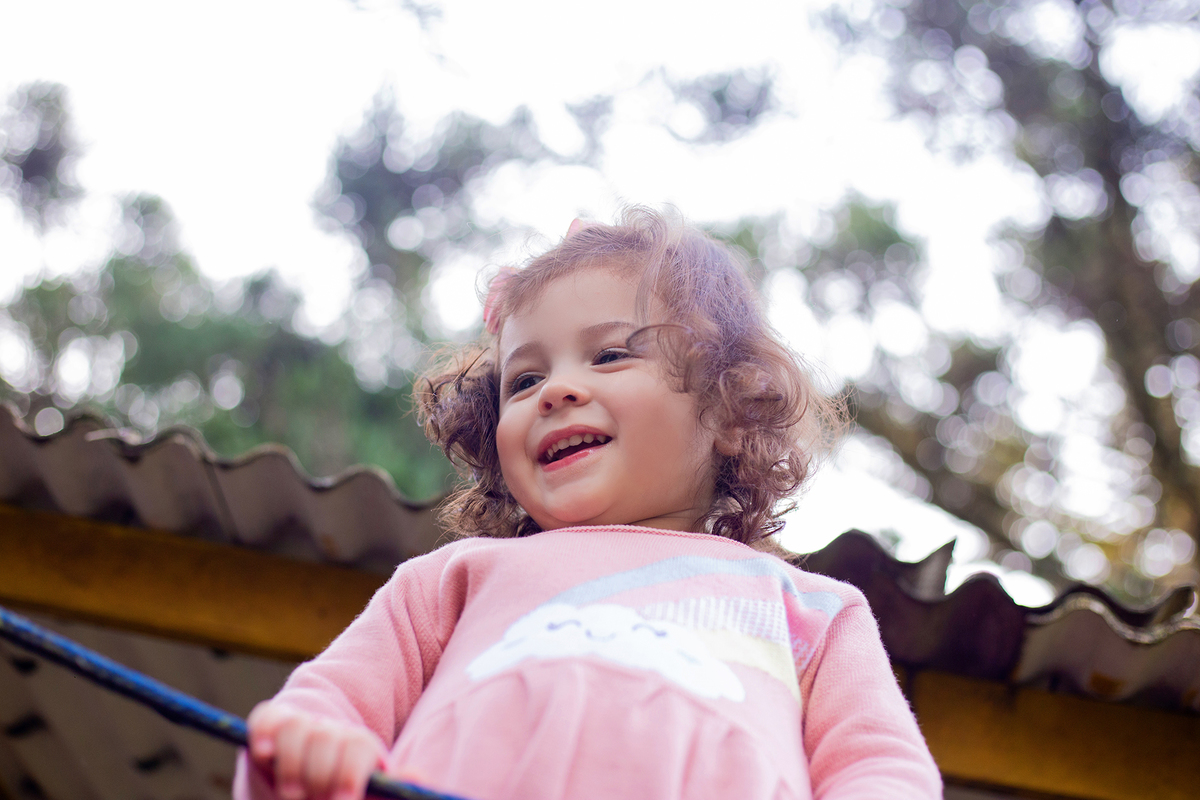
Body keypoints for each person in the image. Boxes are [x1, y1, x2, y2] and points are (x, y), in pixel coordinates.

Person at [235, 208, 942, 800]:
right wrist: (305, 752)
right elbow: (322, 708)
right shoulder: (451, 583)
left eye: (608, 356)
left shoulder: (809, 610)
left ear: (728, 407)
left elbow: (880, 769)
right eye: (524, 380)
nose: (556, 390)